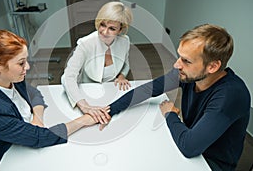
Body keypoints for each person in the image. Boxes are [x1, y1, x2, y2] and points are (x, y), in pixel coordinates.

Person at [105, 24, 251, 171]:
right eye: (180, 56)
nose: (176, 64)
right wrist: (107, 111)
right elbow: (149, 89)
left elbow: (189, 147)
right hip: (189, 138)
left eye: (186, 61)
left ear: (212, 67)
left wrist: (170, 114)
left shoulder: (231, 95)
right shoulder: (188, 74)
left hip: (211, 163)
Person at [0, 30, 97, 171]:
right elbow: (39, 137)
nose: (27, 67)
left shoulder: (11, 78)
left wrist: (37, 119)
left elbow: (35, 94)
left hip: (17, 151)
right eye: (21, 63)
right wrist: (84, 120)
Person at [61, 1, 133, 124]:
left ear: (120, 30)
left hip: (113, 92)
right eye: (102, 25)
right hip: (87, 94)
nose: (104, 32)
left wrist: (121, 76)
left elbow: (125, 63)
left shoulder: (124, 41)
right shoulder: (85, 43)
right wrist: (83, 105)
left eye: (112, 28)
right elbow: (68, 77)